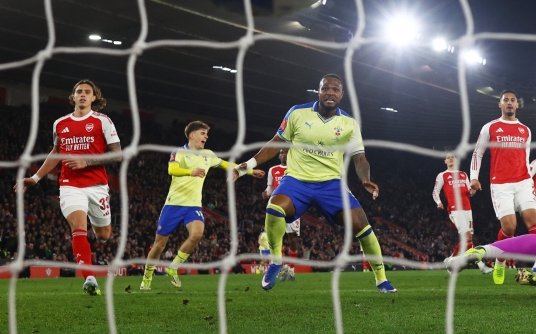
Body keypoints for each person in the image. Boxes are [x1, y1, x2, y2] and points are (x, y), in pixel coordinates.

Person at [235, 74, 396, 293]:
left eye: (335, 89)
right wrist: (247, 165)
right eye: (325, 88)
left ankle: (381, 279)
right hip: (297, 181)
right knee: (274, 207)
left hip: (331, 184)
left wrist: (365, 179)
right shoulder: (297, 113)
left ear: (342, 94)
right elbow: (275, 143)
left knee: (362, 226)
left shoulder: (349, 123)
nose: (330, 92)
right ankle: (275, 261)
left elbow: (360, 158)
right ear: (318, 91)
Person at [15, 80, 121, 296]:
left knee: (103, 235)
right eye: (78, 92)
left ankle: (95, 223)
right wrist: (34, 179)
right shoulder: (60, 124)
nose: (82, 95)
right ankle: (89, 278)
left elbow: (117, 153)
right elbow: (56, 153)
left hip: (97, 186)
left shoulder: (103, 121)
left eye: (87, 92)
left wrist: (87, 162)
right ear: (72, 97)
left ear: (94, 98)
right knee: (78, 228)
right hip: (70, 185)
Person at [140, 121, 262, 290]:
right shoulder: (179, 152)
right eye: (203, 133)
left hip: (193, 206)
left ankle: (173, 267)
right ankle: (147, 277)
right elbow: (172, 170)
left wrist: (249, 171)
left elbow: (226, 165)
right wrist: (192, 171)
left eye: (206, 133)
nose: (206, 136)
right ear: (192, 135)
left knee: (197, 234)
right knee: (159, 245)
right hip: (173, 205)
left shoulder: (208, 154)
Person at [469, 89, 536, 284]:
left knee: (534, 221)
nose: (510, 103)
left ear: (517, 105)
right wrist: (474, 177)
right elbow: (477, 153)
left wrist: (531, 182)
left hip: (523, 181)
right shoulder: (490, 127)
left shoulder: (525, 130)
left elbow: (525, 158)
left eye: (513, 100)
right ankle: (500, 260)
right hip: (500, 184)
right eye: (506, 100)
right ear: (500, 104)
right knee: (509, 228)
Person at [432, 152, 490, 274]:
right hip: (455, 209)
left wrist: (473, 189)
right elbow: (435, 191)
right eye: (448, 158)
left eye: (452, 157)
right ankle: (481, 266)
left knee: (468, 240)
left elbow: (469, 192)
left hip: (467, 208)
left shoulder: (463, 174)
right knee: (467, 237)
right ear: (445, 161)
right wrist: (438, 202)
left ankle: (451, 262)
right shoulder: (443, 175)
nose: (450, 159)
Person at [263, 150, 298, 281]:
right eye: (281, 153)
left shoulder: (295, 168)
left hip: (293, 206)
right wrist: (266, 193)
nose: (283, 155)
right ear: (279, 156)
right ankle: (282, 268)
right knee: (278, 238)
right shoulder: (273, 170)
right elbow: (270, 188)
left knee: (292, 238)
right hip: (277, 207)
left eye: (286, 153)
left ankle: (292, 269)